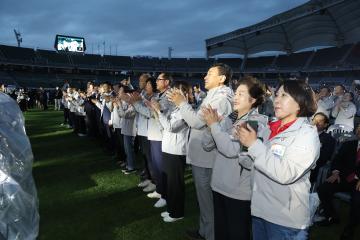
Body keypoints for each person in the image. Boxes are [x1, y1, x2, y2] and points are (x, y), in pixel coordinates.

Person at [237, 80, 320, 240]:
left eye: (284, 95)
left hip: (285, 220)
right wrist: (245, 145)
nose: (276, 99)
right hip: (260, 210)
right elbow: (250, 164)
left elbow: (285, 173)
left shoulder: (306, 135)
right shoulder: (271, 128)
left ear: (299, 104)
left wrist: (253, 145)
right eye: (276, 95)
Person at [168, 63, 233, 240]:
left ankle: (210, 235)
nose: (205, 76)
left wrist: (182, 104)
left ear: (222, 78)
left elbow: (196, 122)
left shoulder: (220, 98)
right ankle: (204, 231)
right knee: (203, 200)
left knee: (207, 201)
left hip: (207, 158)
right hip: (202, 156)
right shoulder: (214, 95)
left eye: (210, 73)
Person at [201, 76, 269, 240]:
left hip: (238, 192)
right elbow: (207, 144)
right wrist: (213, 126)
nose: (235, 97)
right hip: (219, 185)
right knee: (222, 233)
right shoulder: (231, 117)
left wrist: (214, 126)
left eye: (240, 94)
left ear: (252, 100)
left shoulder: (255, 123)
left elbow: (231, 150)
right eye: (235, 93)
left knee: (237, 234)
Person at [0, 91, 39, 239]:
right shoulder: (6, 101)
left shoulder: (4, 102)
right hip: (5, 162)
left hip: (4, 162)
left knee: (7, 196)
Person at [152, 81, 191, 222]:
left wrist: (158, 111)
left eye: (176, 93)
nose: (172, 95)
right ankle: (171, 209)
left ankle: (177, 213)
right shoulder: (174, 109)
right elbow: (163, 127)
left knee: (176, 184)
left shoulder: (186, 111)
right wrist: (158, 112)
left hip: (177, 151)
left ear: (184, 94)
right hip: (168, 149)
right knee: (169, 183)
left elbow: (171, 127)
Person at [317, 124, 360, 240]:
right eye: (359, 127)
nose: (359, 130)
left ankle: (350, 228)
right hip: (344, 178)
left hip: (358, 183)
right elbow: (337, 160)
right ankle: (331, 216)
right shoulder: (349, 144)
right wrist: (335, 172)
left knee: (357, 200)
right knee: (323, 189)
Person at [310, 112, 336, 184]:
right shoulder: (303, 134)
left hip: (312, 166)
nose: (316, 122)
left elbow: (324, 158)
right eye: (314, 120)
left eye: (320, 121)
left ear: (325, 125)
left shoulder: (329, 139)